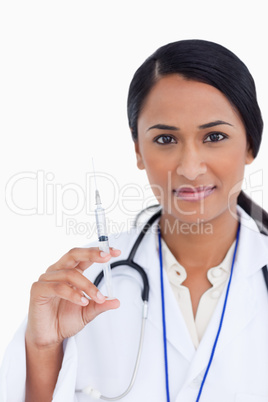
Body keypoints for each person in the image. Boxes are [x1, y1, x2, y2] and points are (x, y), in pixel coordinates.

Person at [1, 39, 268, 402]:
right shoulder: (87, 283)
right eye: (165, 139)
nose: (189, 168)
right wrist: (45, 346)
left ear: (251, 144)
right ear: (138, 150)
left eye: (214, 136)